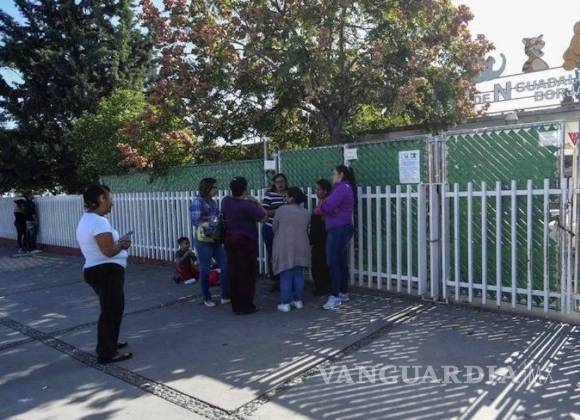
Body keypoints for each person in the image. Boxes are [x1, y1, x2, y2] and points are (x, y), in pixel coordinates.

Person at [76, 184, 132, 364]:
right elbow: (108, 251)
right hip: (106, 271)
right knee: (111, 311)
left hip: (98, 270)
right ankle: (107, 352)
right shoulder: (98, 222)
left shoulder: (87, 219)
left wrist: (118, 244)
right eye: (110, 198)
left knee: (110, 310)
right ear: (101, 198)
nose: (111, 202)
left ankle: (110, 343)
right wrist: (122, 244)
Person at [221, 177, 268, 315]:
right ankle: (246, 305)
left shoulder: (226, 201)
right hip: (246, 241)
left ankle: (236, 305)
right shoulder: (247, 205)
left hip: (230, 239)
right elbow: (264, 217)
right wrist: (256, 202)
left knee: (234, 272)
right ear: (245, 188)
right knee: (247, 274)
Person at [316, 165, 356, 310]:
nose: (332, 176)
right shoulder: (344, 187)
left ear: (341, 174)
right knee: (340, 262)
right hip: (341, 227)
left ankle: (335, 296)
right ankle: (343, 292)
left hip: (337, 229)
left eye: (334, 173)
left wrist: (325, 206)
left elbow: (326, 206)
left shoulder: (341, 188)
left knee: (333, 262)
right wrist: (328, 207)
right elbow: (328, 207)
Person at [190, 178, 230, 307]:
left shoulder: (212, 202)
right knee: (205, 269)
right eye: (214, 187)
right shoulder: (197, 201)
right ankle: (207, 298)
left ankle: (225, 295)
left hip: (215, 238)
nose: (216, 190)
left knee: (225, 265)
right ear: (207, 188)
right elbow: (196, 220)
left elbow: (217, 216)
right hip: (204, 240)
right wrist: (213, 220)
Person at [272, 187, 311, 312]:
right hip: (302, 245)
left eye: (287, 196)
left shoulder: (281, 210)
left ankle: (285, 303)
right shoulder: (306, 213)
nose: (285, 198)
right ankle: (298, 301)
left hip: (285, 246)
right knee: (299, 274)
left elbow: (274, 227)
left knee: (286, 274)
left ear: (292, 198)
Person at [261, 173, 288, 291]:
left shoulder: (289, 194)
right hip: (270, 228)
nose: (280, 184)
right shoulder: (270, 195)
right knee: (273, 254)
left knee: (285, 254)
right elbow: (263, 211)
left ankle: (285, 279)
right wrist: (278, 211)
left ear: (286, 182)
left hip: (286, 230)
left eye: (282, 181)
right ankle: (275, 280)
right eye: (277, 182)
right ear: (274, 184)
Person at [310, 179, 332, 296]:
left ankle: (323, 286)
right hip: (318, 238)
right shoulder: (321, 202)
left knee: (319, 262)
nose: (316, 191)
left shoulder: (326, 203)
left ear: (325, 191)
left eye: (318, 189)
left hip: (322, 238)